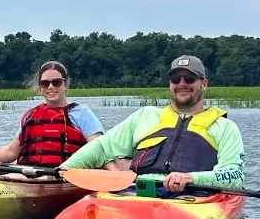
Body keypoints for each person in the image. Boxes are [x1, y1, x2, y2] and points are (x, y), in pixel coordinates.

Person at [61, 55, 245, 193]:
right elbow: (101, 147)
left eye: (189, 79)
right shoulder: (146, 116)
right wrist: (64, 169)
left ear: (203, 84)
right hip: (139, 192)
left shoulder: (225, 127)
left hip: (193, 196)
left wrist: (190, 178)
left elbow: (234, 175)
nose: (182, 84)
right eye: (175, 79)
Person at [0, 61, 104, 166]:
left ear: (66, 84)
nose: (50, 87)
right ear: (40, 87)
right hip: (28, 173)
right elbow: (11, 152)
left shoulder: (81, 113)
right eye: (45, 83)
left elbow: (98, 149)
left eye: (56, 82)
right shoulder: (30, 116)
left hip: (63, 175)